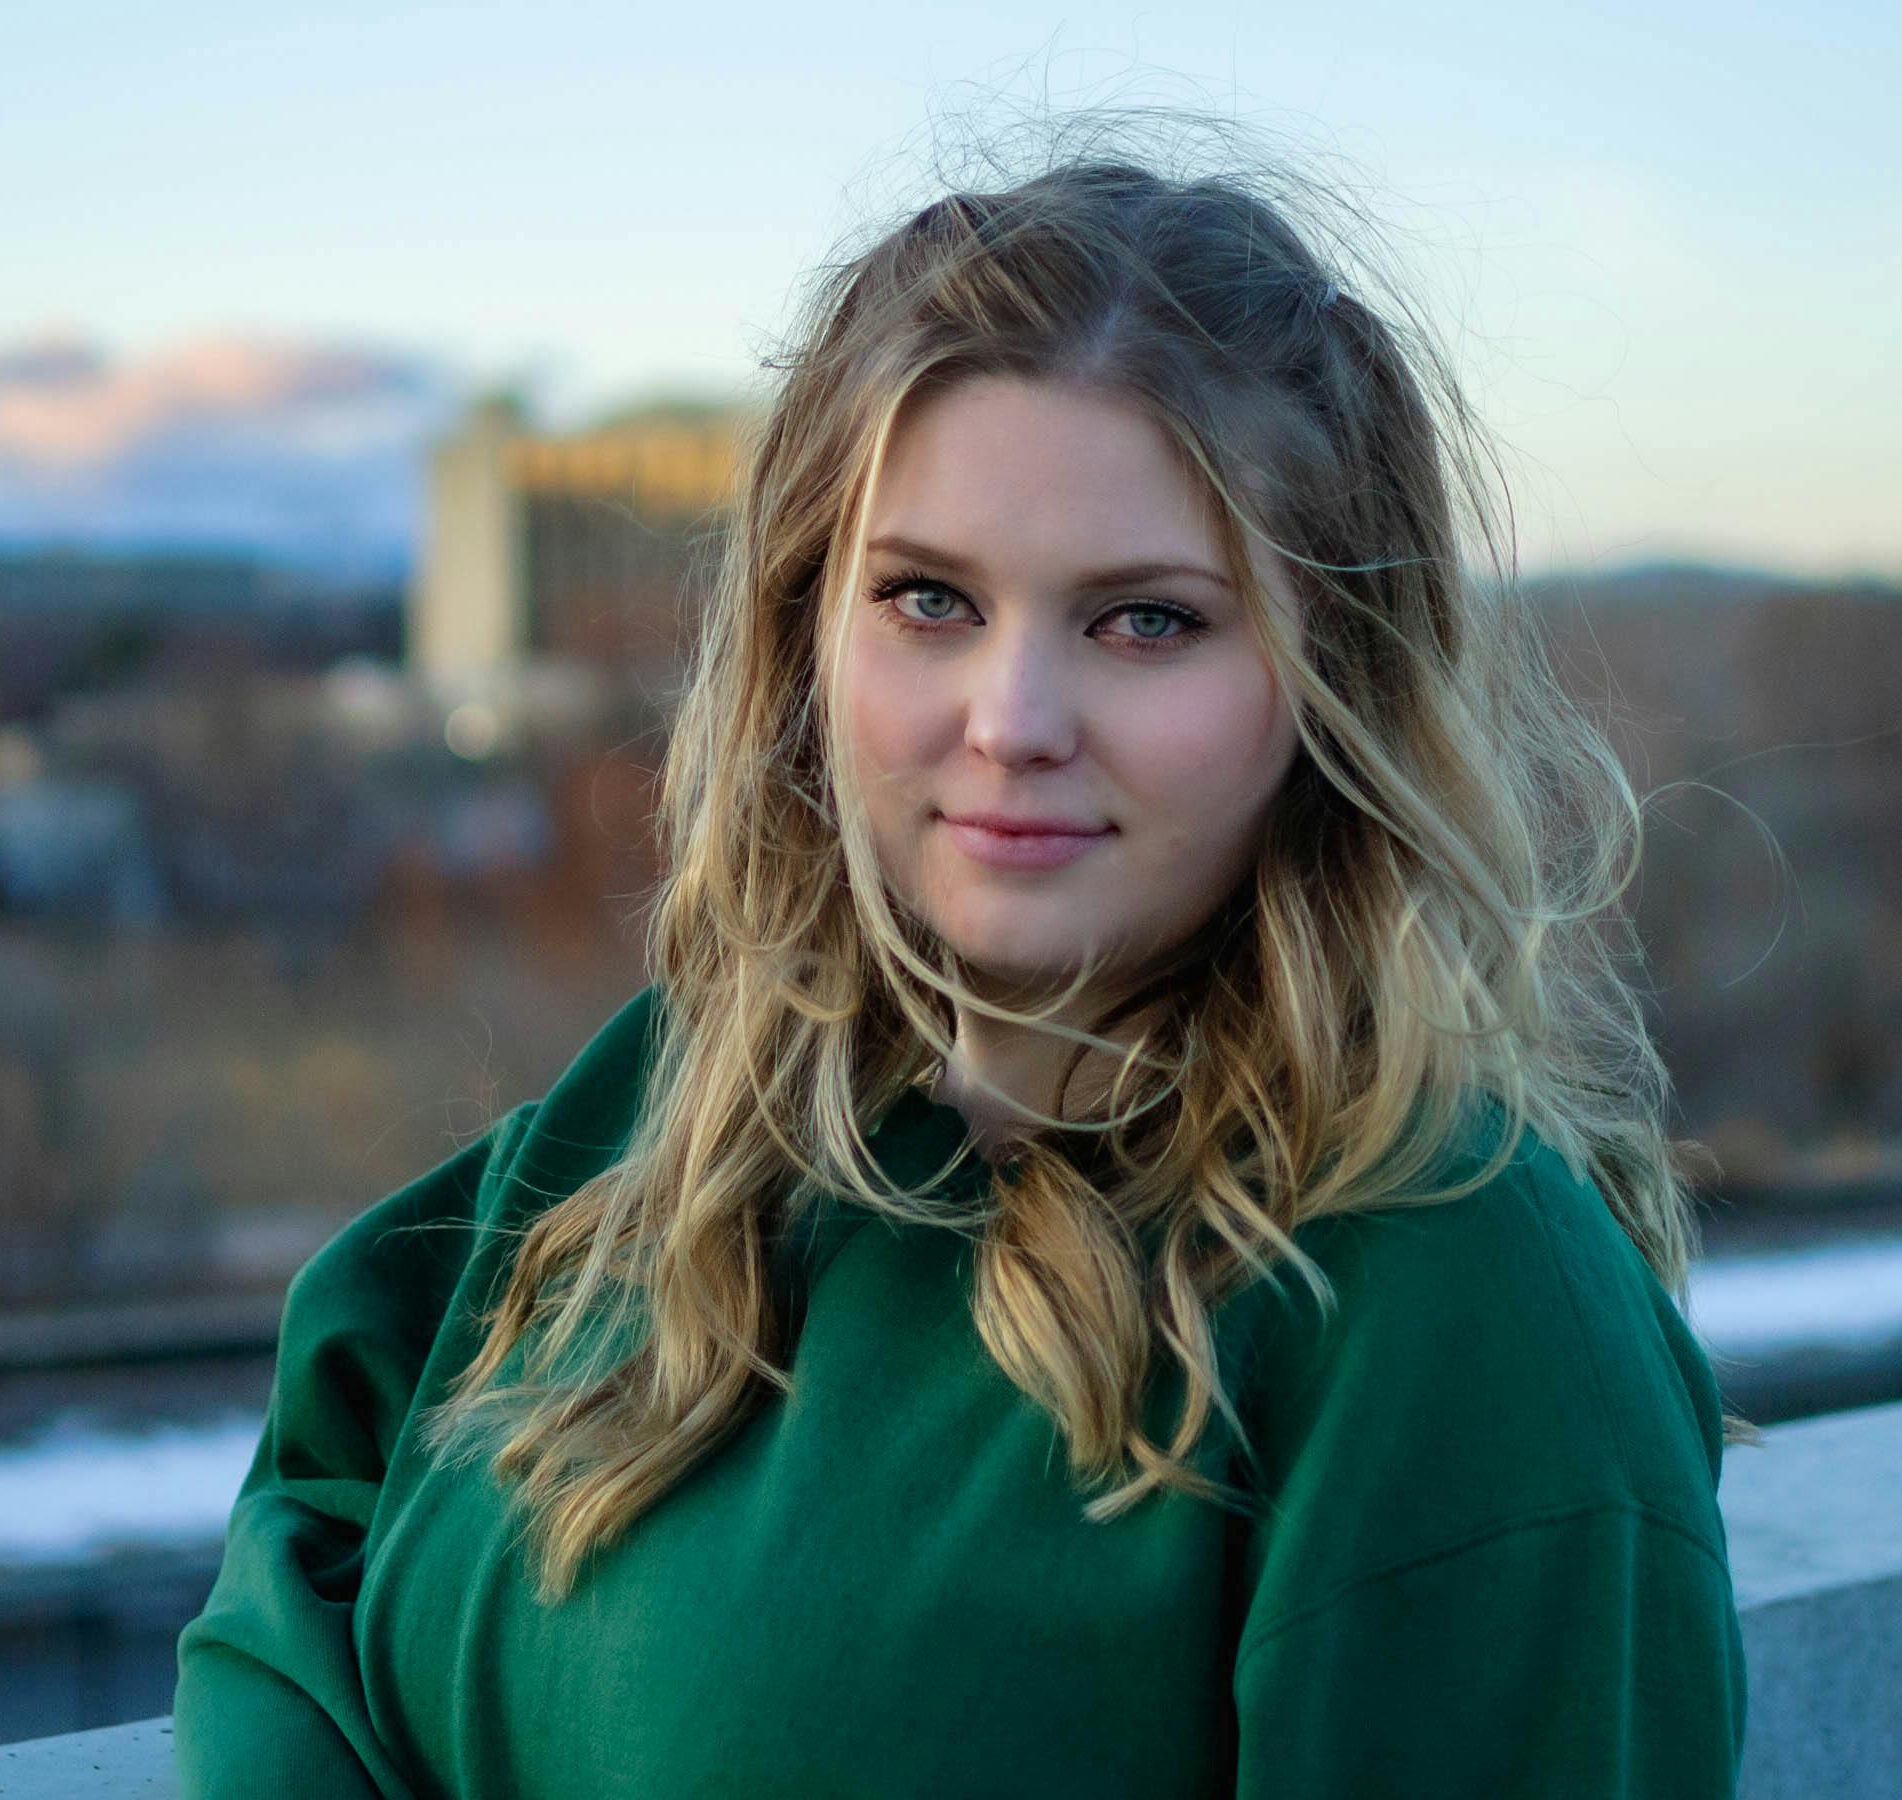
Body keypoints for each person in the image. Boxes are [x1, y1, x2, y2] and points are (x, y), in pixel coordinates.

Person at [174, 113, 1755, 1799]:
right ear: (805, 631)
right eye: (928, 600)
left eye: (1145, 619)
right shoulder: (701, 1090)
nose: (1010, 724)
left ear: (1330, 677)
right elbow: (315, 1508)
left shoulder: (1445, 1294)